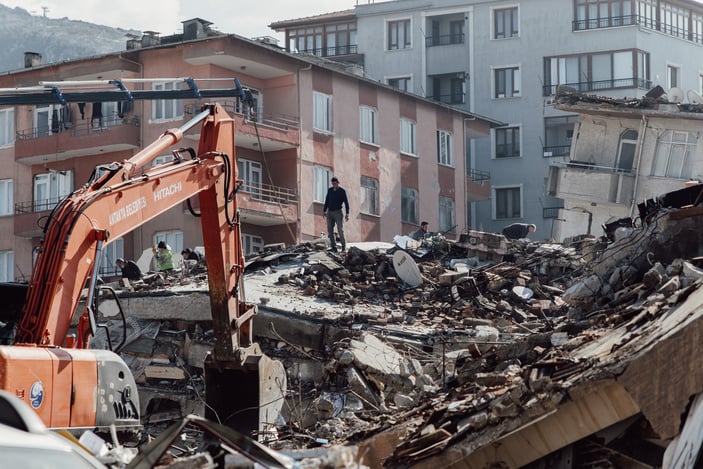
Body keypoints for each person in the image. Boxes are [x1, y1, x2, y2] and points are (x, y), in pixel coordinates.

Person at [323, 176, 350, 252]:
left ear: (338, 183)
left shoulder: (342, 191)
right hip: (330, 212)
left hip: (338, 212)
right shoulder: (330, 190)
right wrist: (324, 210)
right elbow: (327, 200)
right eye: (332, 183)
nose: (334, 185)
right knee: (330, 230)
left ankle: (344, 247)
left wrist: (347, 213)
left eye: (335, 183)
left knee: (340, 229)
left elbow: (346, 203)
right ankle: (333, 247)